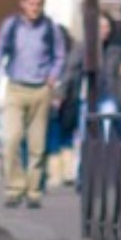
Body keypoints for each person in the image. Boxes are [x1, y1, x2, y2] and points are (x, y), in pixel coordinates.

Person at [0, 0, 65, 208]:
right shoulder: (11, 26)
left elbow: (59, 55)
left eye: (39, 4)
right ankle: (14, 188)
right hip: (16, 87)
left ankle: (33, 191)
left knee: (37, 145)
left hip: (40, 89)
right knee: (11, 139)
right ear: (22, 4)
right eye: (31, 4)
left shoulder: (50, 28)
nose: (35, 9)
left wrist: (53, 76)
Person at [46, 25, 82, 187]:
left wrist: (57, 95)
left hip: (60, 100)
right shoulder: (76, 51)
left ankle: (57, 174)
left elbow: (65, 77)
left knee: (56, 136)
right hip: (70, 100)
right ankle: (66, 173)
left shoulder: (63, 55)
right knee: (65, 137)